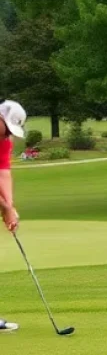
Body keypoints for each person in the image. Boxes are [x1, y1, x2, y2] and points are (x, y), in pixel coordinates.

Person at [0, 100, 26, 334]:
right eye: (7, 127)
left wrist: (10, 206)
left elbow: (3, 172)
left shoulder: (3, 141)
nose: (8, 134)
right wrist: (4, 208)